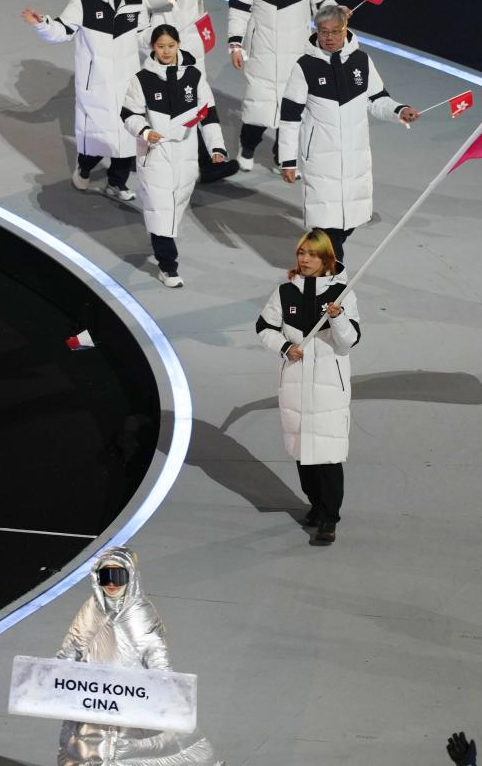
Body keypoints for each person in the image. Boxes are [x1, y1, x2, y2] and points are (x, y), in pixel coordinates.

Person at [56, 545, 224, 766]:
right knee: (88, 752)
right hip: (96, 696)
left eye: (118, 576)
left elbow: (155, 653)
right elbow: (72, 645)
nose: (112, 583)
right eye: (106, 576)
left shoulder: (138, 611)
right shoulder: (91, 609)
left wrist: (165, 687)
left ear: (130, 577)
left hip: (131, 697)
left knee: (128, 751)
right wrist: (58, 675)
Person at [278, 5, 420, 261]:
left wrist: (399, 110)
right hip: (320, 158)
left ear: (345, 30)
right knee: (326, 225)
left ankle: (321, 266)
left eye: (335, 31)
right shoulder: (305, 66)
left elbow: (377, 99)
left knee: (348, 223)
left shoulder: (361, 61)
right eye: (323, 32)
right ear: (316, 31)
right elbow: (290, 117)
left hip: (356, 156)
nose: (329, 37)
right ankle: (332, 275)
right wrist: (288, 161)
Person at [22, 0, 152, 200]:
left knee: (127, 135)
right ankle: (84, 168)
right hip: (97, 83)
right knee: (97, 136)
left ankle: (117, 183)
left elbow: (142, 33)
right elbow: (63, 30)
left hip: (128, 80)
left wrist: (160, 43)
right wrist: (42, 24)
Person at [127, 0, 239, 185]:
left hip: (189, 33)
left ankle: (208, 160)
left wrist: (201, 23)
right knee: (159, 100)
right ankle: (137, 157)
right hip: (159, 34)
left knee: (197, 94)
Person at [255, 229, 360, 544]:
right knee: (302, 453)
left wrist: (337, 318)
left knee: (327, 455)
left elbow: (348, 341)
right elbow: (264, 327)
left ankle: (329, 519)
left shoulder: (342, 293)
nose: (305, 259)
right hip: (295, 383)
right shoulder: (284, 292)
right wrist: (285, 347)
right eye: (302, 253)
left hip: (329, 386)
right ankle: (315, 506)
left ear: (326, 258)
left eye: (312, 254)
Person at [227, 0, 339, 172]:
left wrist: (336, 13)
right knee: (258, 106)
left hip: (297, 54)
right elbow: (239, 9)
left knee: (293, 108)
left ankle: (284, 158)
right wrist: (235, 44)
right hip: (262, 52)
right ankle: (247, 148)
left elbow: (323, 2)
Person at [121, 25, 227, 287]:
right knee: (160, 210)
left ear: (178, 44)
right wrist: (145, 132)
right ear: (152, 48)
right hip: (155, 153)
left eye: (170, 46)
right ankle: (168, 267)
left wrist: (216, 147)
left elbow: (209, 115)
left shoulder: (194, 76)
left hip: (186, 155)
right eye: (160, 46)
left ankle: (163, 248)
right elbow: (129, 114)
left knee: (175, 206)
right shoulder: (142, 79)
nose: (166, 51)